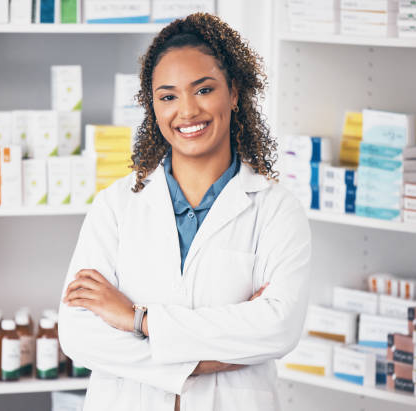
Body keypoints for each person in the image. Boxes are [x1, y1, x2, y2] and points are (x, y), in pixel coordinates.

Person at [58, 13, 311, 411]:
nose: (187, 111)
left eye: (204, 89)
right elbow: (78, 334)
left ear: (235, 92)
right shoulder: (117, 205)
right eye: (168, 96)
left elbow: (278, 328)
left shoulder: (276, 209)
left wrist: (136, 320)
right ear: (153, 107)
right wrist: (204, 361)